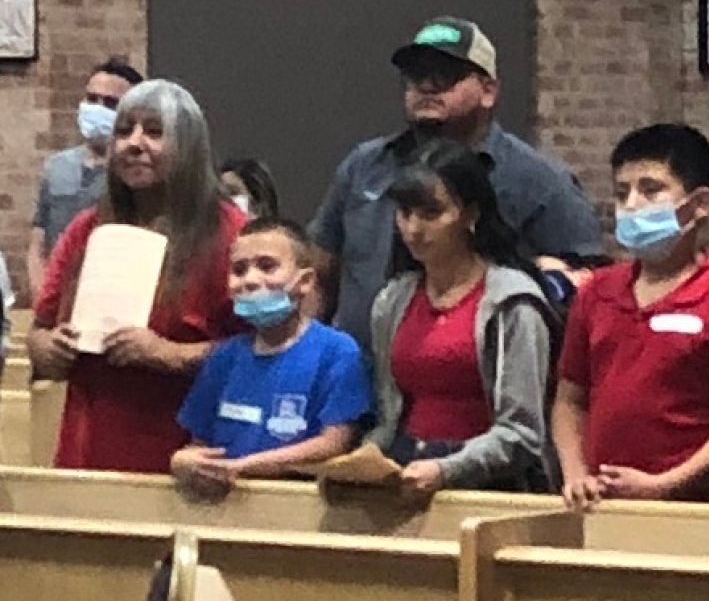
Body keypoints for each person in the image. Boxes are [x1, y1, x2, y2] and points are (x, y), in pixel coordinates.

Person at [308, 15, 604, 350]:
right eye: (417, 75)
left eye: (445, 75)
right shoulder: (366, 165)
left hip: (473, 382)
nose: (428, 87)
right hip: (360, 379)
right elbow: (320, 272)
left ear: (488, 90)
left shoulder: (539, 182)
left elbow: (588, 291)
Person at [28, 79, 249, 473]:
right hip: (88, 444)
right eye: (125, 130)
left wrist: (169, 354)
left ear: (188, 146)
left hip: (186, 451)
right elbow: (40, 330)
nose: (134, 143)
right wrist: (49, 349)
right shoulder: (86, 228)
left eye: (154, 132)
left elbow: (260, 347)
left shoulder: (232, 233)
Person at [552, 124, 709, 511]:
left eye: (651, 190)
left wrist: (663, 485)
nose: (632, 204)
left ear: (699, 204)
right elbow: (570, 401)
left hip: (691, 508)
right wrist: (575, 473)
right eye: (621, 193)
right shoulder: (596, 292)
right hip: (599, 503)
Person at [365, 139, 556, 496]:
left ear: (470, 214)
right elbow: (389, 413)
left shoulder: (512, 301)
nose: (413, 229)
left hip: (488, 482)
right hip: (408, 467)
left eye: (431, 214)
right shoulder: (393, 300)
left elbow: (522, 434)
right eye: (405, 213)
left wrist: (448, 468)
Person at [173, 218, 371, 495]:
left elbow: (333, 444)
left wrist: (244, 466)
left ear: (304, 281)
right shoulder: (224, 357)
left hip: (299, 507)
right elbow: (200, 442)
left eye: (267, 266)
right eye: (239, 270)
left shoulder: (336, 351)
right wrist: (184, 461)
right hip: (224, 507)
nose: (251, 280)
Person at [28, 57, 144, 299]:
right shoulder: (57, 167)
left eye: (110, 103)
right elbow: (38, 244)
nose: (97, 108)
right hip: (58, 298)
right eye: (92, 99)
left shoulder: (136, 172)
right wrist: (43, 300)